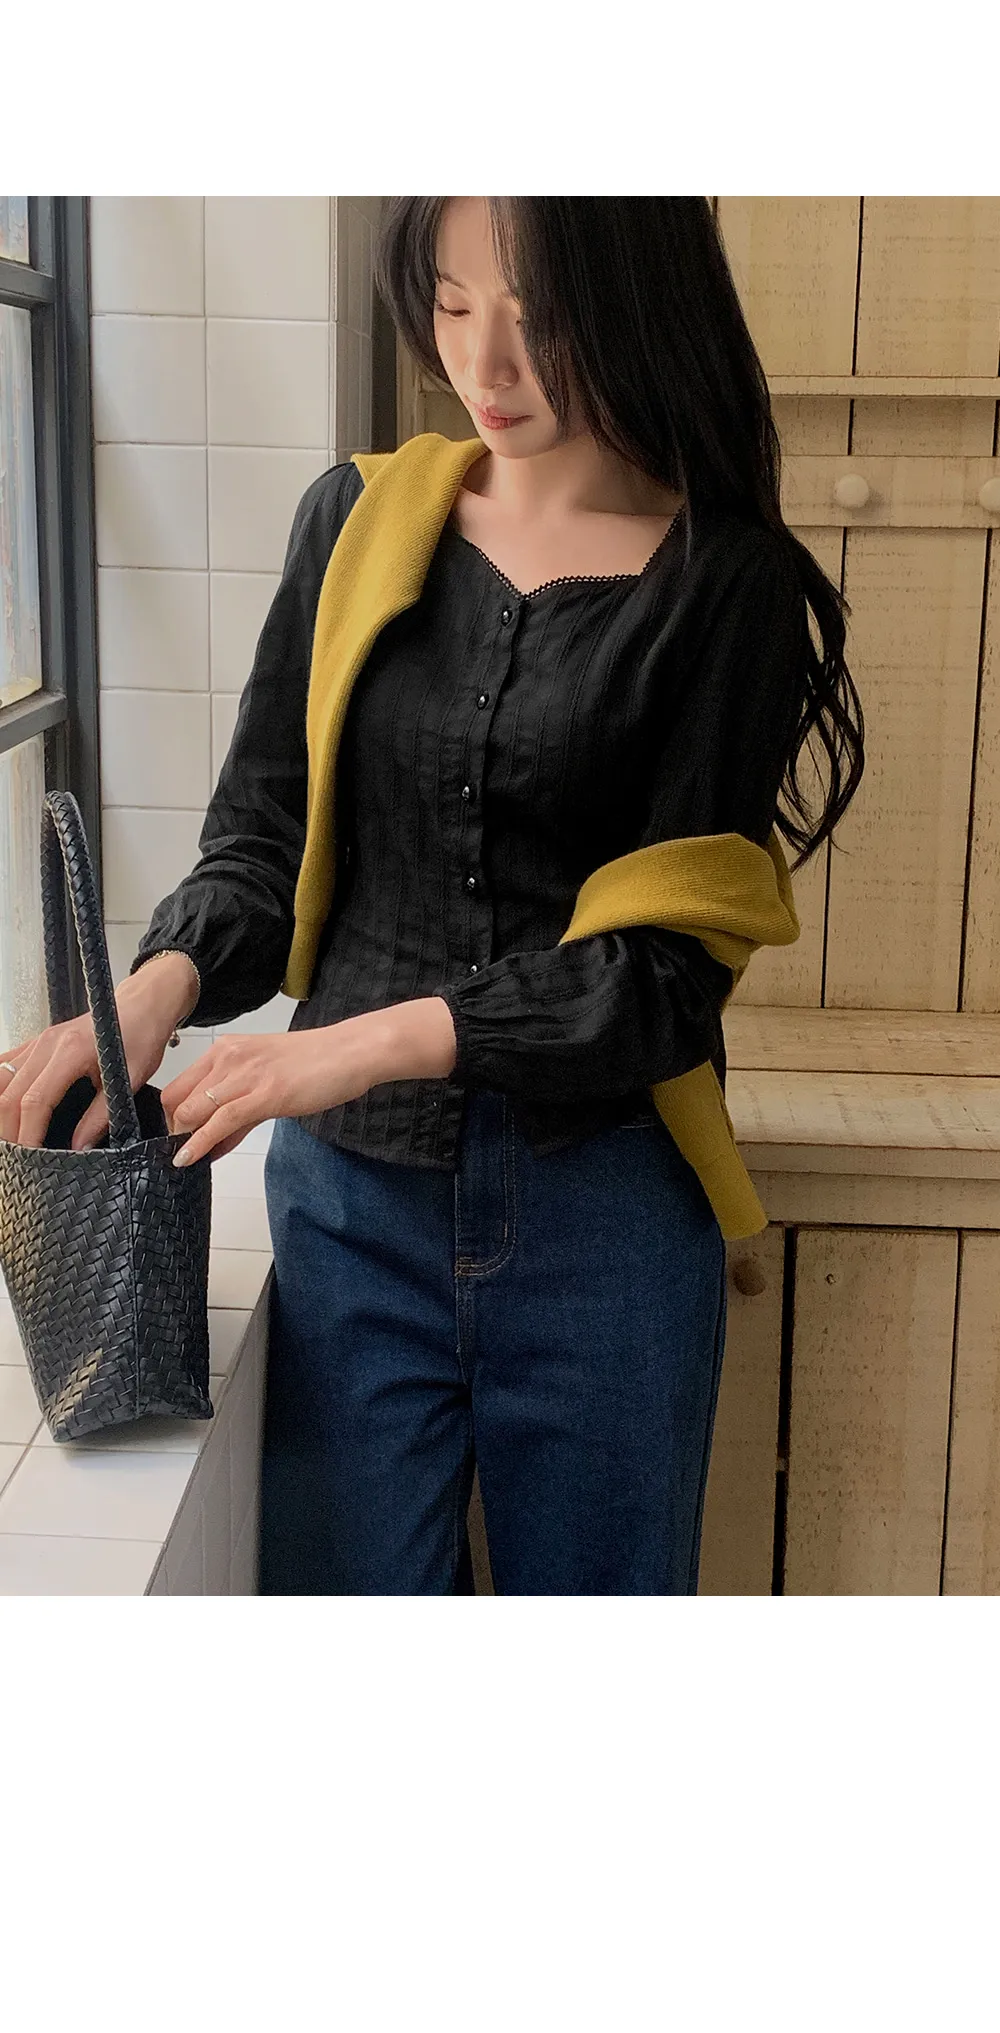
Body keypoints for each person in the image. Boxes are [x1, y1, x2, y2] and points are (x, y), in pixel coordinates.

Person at [0, 197, 864, 1595]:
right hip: (351, 1218)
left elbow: (662, 977)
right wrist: (159, 987)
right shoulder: (353, 521)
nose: (485, 365)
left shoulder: (728, 587)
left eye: (540, 317)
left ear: (638, 302)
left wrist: (359, 1043)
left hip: (605, 1217)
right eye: (454, 306)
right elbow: (263, 839)